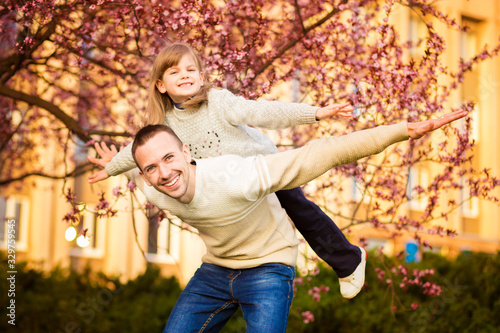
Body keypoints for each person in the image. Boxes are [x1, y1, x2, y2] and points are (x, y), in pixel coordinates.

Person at [114, 109, 465, 332]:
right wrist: (110, 163)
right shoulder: (154, 191)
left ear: (187, 153)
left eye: (169, 158)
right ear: (144, 176)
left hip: (268, 267)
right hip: (215, 273)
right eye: (151, 168)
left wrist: (400, 131)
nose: (164, 173)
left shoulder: (235, 174)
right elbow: (129, 168)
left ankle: (348, 260)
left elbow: (321, 154)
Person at [88, 42, 367, 299]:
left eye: (190, 69)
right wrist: (111, 167)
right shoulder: (165, 124)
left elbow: (263, 113)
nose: (185, 75)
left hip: (262, 169)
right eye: (175, 72)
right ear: (161, 85)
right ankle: (235, 277)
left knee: (300, 210)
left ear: (200, 75)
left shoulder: (218, 102)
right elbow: (136, 151)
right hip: (230, 186)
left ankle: (348, 261)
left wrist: (315, 113)